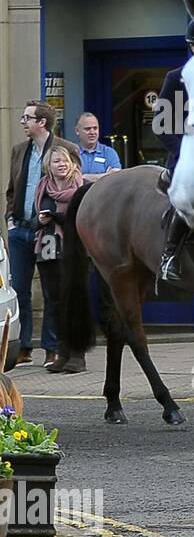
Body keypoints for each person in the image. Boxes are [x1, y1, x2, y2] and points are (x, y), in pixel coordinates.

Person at [5, 101, 80, 366]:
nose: (23, 122)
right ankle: (24, 346)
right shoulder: (19, 150)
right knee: (20, 290)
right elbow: (12, 189)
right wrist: (10, 219)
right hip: (20, 230)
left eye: (27, 118)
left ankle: (51, 347)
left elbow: (77, 186)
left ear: (42, 123)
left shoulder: (66, 149)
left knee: (51, 291)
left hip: (51, 233)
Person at [156, 19, 194, 282]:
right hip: (185, 156)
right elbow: (161, 127)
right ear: (193, 46)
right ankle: (169, 255)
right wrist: (185, 152)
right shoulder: (176, 79)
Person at [33, 146, 86, 373]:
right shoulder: (43, 187)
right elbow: (34, 219)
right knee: (54, 303)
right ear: (49, 166)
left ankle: (77, 356)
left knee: (73, 301)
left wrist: (57, 217)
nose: (61, 164)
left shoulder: (80, 187)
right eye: (56, 161)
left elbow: (81, 218)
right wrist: (42, 220)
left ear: (72, 163)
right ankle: (61, 353)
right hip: (46, 249)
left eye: (64, 160)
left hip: (73, 249)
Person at [73, 112, 121, 182]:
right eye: (87, 129)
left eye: (95, 128)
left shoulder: (109, 153)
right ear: (77, 131)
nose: (92, 132)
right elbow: (70, 179)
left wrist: (84, 176)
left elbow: (116, 177)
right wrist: (106, 175)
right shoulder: (71, 153)